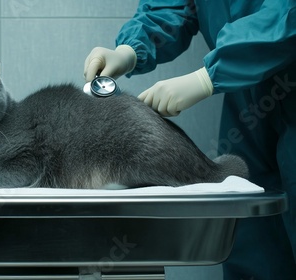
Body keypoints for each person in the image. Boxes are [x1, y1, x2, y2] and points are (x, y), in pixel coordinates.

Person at [84, 0, 296, 279]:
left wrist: (207, 77)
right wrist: (129, 50)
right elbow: (174, 6)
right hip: (246, 97)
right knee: (250, 242)